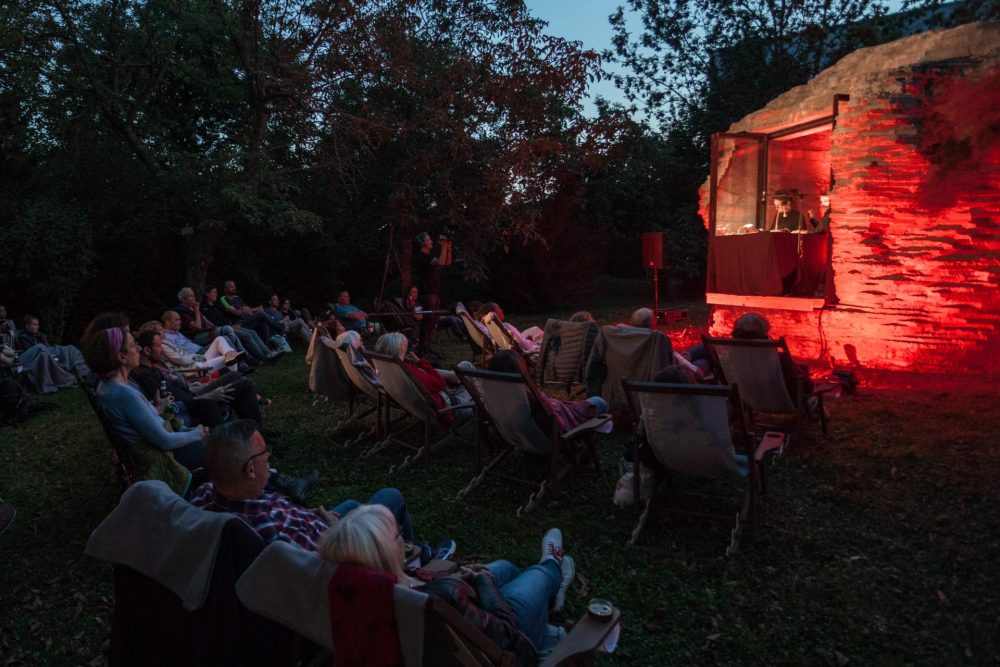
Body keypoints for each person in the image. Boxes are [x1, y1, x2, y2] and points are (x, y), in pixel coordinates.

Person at [319, 505, 575, 666]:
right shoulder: (440, 599)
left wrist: (460, 580)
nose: (404, 539)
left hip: (458, 611)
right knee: (539, 575)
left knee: (505, 567)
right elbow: (506, 633)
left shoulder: (351, 589)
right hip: (503, 642)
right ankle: (554, 569)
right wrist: (483, 582)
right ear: (386, 554)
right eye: (398, 535)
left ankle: (546, 603)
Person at [190, 420, 453, 563]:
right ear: (249, 470)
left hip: (313, 524)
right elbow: (330, 565)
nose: (269, 456)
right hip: (339, 544)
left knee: (350, 502)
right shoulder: (274, 538)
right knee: (391, 497)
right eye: (263, 454)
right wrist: (333, 530)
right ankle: (417, 557)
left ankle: (417, 550)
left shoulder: (205, 494)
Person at [82, 322, 207, 495]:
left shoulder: (106, 386)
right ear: (121, 357)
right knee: (221, 448)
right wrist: (197, 433)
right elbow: (165, 441)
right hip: (162, 454)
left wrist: (157, 409)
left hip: (153, 445)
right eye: (134, 345)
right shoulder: (124, 393)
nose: (139, 349)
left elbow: (135, 421)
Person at [130, 330, 266, 431]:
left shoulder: (154, 368)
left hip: (193, 387)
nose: (162, 350)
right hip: (194, 399)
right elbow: (171, 403)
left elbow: (178, 388)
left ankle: (254, 427)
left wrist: (199, 386)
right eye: (159, 346)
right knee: (244, 385)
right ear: (147, 350)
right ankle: (256, 431)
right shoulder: (146, 375)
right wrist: (205, 394)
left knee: (233, 375)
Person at [487, 350, 608, 440]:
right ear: (519, 369)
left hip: (523, 438)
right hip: (554, 434)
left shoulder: (494, 397)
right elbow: (560, 424)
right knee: (599, 401)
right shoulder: (529, 397)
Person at [374, 332, 473, 425]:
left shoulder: (387, 371)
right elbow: (440, 383)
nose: (407, 348)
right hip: (452, 411)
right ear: (399, 349)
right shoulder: (409, 372)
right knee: (473, 379)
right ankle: (482, 399)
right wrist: (420, 362)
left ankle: (457, 378)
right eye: (405, 346)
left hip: (436, 402)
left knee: (466, 366)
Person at [1, 306, 76, 394]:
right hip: (15, 361)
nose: (4, 312)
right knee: (40, 347)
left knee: (44, 354)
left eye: (4, 310)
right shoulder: (23, 337)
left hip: (15, 355)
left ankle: (57, 384)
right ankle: (54, 358)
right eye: (1, 311)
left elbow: (13, 336)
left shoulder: (10, 323)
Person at [202, 286, 278, 361]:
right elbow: (216, 321)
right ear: (207, 294)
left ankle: (268, 353)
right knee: (247, 333)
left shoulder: (217, 306)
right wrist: (234, 321)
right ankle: (264, 357)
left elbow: (245, 310)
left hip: (233, 324)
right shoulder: (207, 306)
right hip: (225, 328)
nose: (216, 294)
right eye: (214, 292)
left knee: (255, 330)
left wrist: (241, 313)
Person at [160, 310, 248, 372]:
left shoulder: (177, 333)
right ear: (167, 321)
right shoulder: (165, 338)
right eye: (177, 319)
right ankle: (239, 366)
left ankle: (232, 356)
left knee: (221, 338)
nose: (180, 322)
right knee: (225, 351)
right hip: (197, 358)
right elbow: (182, 357)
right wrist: (199, 357)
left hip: (201, 351)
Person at [412, 231, 453, 352]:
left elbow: (446, 262)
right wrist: (444, 247)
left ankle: (426, 346)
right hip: (427, 293)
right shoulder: (422, 257)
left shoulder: (430, 255)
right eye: (428, 239)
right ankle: (422, 347)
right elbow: (440, 262)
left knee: (433, 321)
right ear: (423, 243)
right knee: (427, 322)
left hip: (434, 292)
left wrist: (448, 249)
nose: (431, 241)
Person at [16, 314, 91, 378]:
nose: (38, 327)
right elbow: (32, 353)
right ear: (27, 326)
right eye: (35, 325)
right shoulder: (24, 338)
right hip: (44, 354)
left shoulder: (39, 336)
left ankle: (83, 370)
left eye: (38, 325)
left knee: (71, 349)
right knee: (68, 352)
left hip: (51, 350)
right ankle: (82, 373)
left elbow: (48, 346)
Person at [476, 303, 544, 356]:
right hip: (527, 351)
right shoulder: (506, 326)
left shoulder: (494, 328)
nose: (501, 310)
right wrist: (530, 340)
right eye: (499, 308)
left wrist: (525, 338)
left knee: (535, 329)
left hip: (515, 348)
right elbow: (524, 345)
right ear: (494, 312)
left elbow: (515, 341)